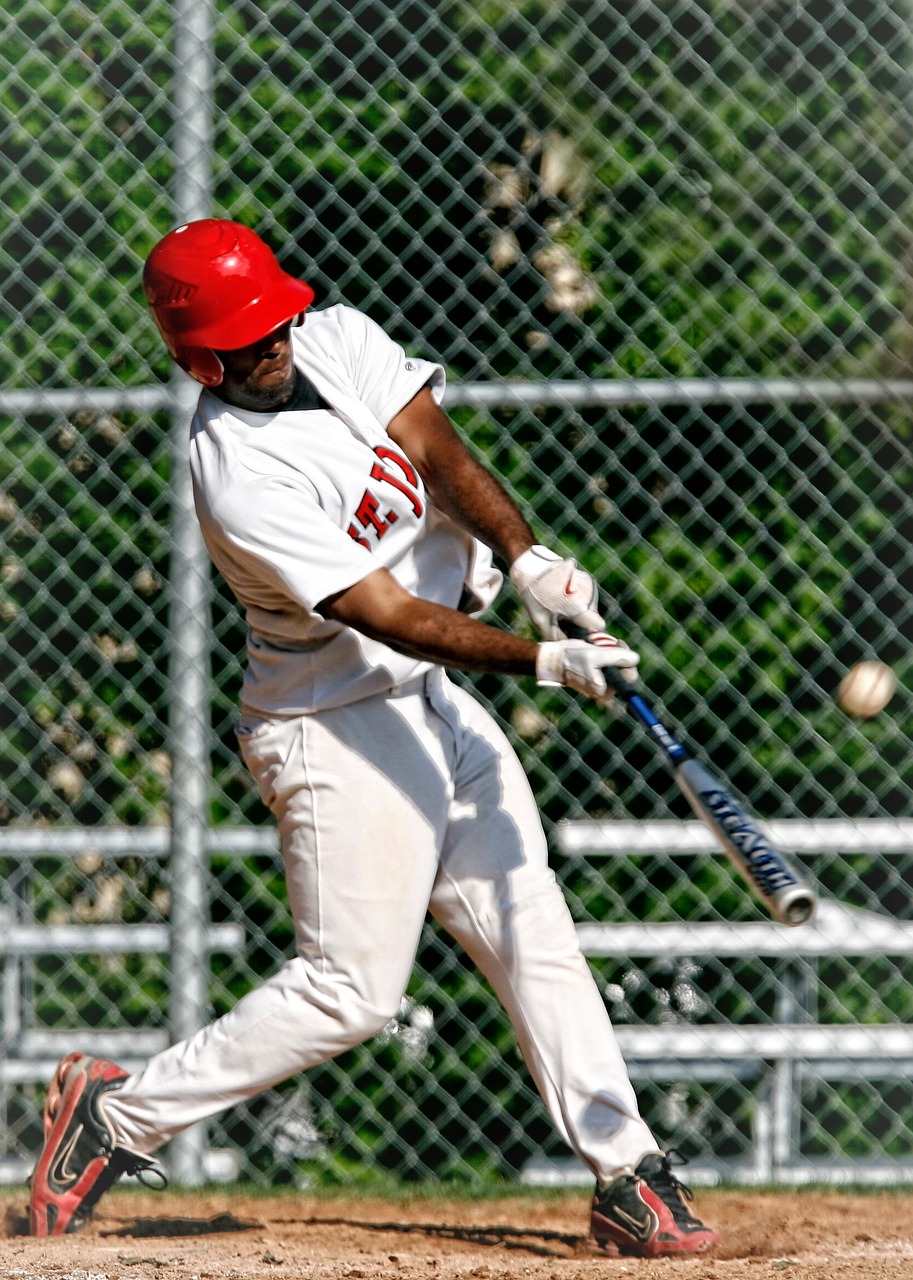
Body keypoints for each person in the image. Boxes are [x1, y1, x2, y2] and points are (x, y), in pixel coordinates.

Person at [28, 218, 718, 1257]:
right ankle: (116, 1113)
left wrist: (526, 559)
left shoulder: (335, 336)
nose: (272, 345)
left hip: (428, 697)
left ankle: (628, 1171)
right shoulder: (236, 471)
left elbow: (438, 449)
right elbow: (383, 610)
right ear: (195, 358)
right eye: (245, 339)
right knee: (351, 993)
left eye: (274, 323)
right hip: (330, 725)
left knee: (531, 923)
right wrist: (544, 662)